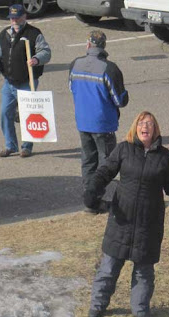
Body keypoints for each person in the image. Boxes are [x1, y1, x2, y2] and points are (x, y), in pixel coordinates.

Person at [85, 111, 169, 317]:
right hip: (120, 221)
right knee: (108, 268)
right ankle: (97, 305)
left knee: (144, 272)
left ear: (156, 130)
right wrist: (93, 187)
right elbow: (105, 172)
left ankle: (140, 309)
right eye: (142, 123)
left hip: (148, 224)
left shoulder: (164, 157)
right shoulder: (123, 149)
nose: (145, 127)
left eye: (150, 124)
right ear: (135, 127)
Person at [69, 30, 129, 212]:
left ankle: (90, 198)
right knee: (107, 163)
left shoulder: (74, 64)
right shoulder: (109, 68)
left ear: (88, 45)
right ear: (104, 46)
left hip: (83, 120)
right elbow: (120, 100)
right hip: (103, 123)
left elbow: (72, 89)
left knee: (88, 160)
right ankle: (97, 199)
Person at [0, 4, 51, 158]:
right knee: (5, 113)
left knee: (27, 115)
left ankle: (26, 147)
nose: (14, 20)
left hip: (26, 82)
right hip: (9, 82)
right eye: (12, 18)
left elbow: (46, 52)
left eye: (17, 17)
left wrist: (37, 59)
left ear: (25, 16)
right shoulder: (3, 34)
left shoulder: (33, 33)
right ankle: (10, 145)